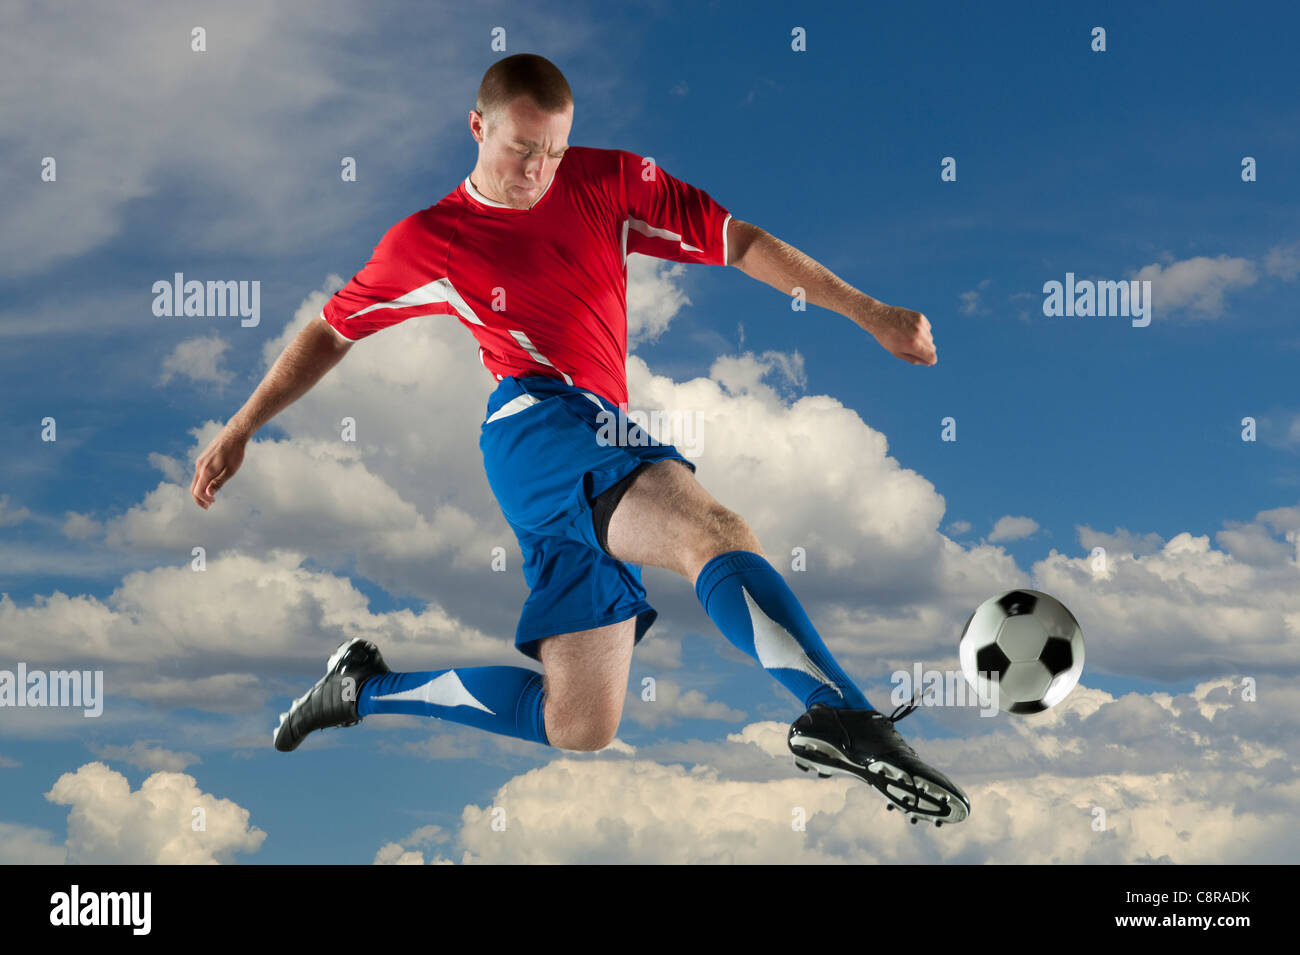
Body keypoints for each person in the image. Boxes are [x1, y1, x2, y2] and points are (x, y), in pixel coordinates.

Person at [189, 53, 967, 826]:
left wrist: (870, 312)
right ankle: (845, 717)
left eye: (553, 150)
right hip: (537, 421)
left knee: (580, 723)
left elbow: (738, 241)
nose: (538, 169)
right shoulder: (431, 239)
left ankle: (360, 688)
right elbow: (332, 330)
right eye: (521, 149)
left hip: (573, 441)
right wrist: (241, 426)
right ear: (477, 126)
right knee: (714, 530)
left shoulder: (610, 181)